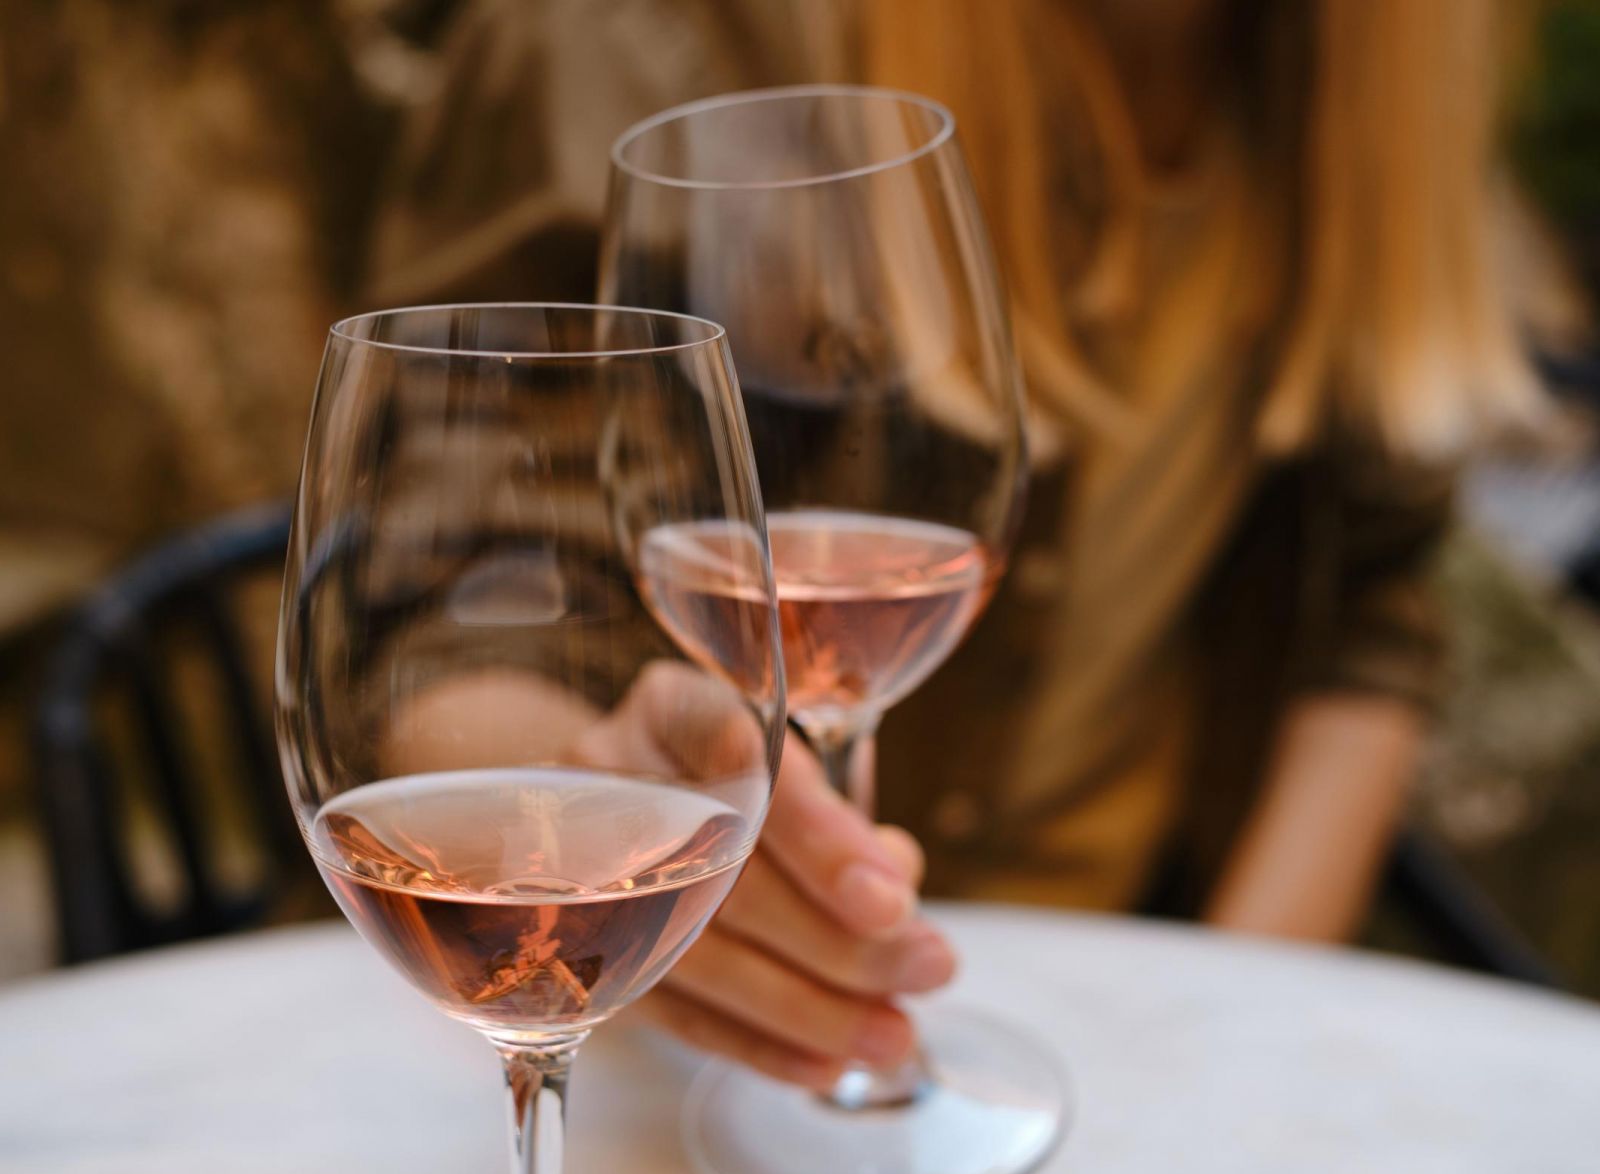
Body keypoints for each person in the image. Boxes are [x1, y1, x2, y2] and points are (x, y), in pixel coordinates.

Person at [362, 0, 1539, 1087]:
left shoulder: (1369, 106)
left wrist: (1214, 1051)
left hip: (1117, 998)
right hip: (646, 1071)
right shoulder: (640, 34)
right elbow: (460, 597)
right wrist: (590, 812)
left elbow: (1363, 626)